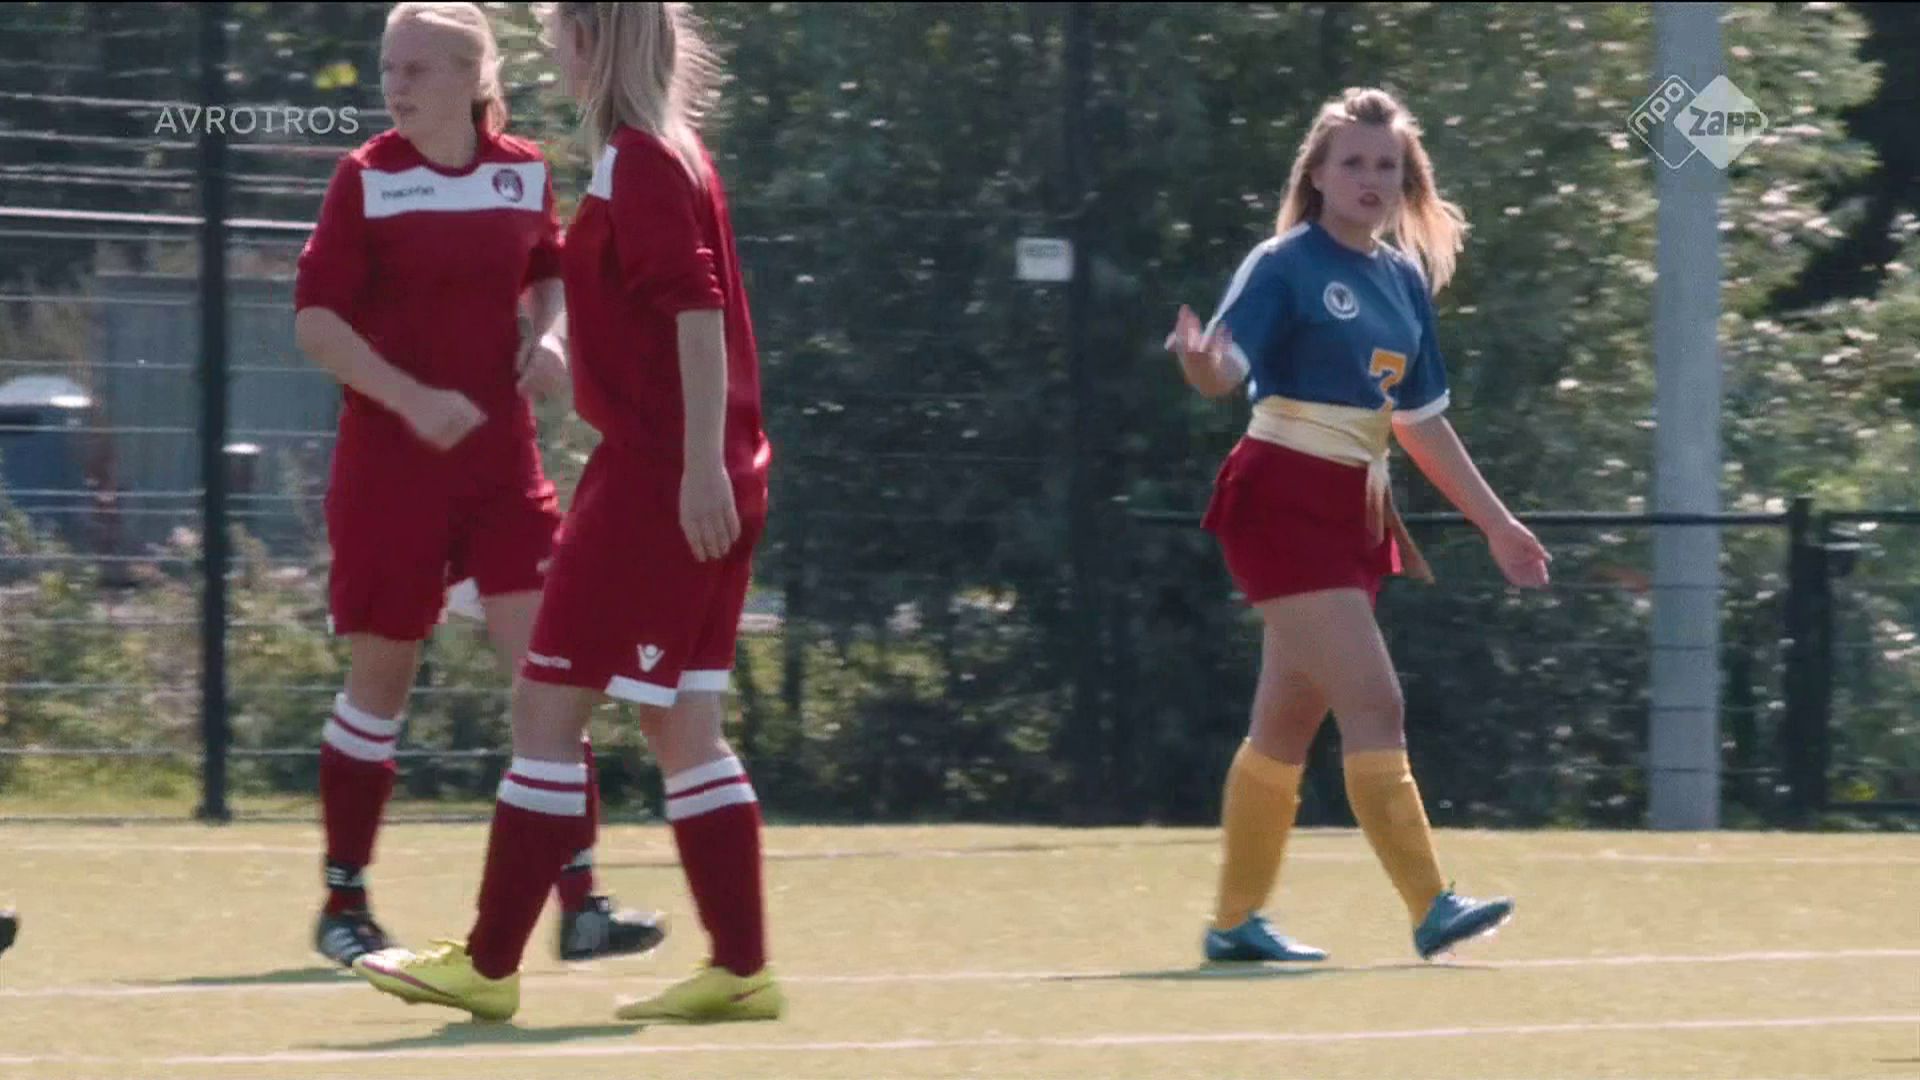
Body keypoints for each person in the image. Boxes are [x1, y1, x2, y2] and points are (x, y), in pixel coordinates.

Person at [353, 1, 780, 1025]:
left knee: (546, 709)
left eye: (557, 35)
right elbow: (661, 310)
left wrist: (695, 470)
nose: (550, 52)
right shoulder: (671, 152)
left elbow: (697, 309)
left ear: (593, 39)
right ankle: (741, 968)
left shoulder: (640, 160)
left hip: (657, 485)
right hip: (699, 472)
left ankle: (488, 964)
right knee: (683, 723)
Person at [293, 0, 663, 971]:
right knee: (382, 683)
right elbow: (317, 322)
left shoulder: (523, 170)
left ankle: (581, 905)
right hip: (390, 475)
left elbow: (550, 275)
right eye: (389, 67)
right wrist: (411, 399)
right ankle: (344, 904)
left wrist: (552, 336)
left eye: (417, 68)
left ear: (474, 77)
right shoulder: (365, 178)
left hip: (502, 468)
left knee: (553, 676)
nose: (396, 85)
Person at [1165, 86, 1552, 965]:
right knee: (1376, 702)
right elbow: (1225, 369)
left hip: (1351, 508)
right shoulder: (1283, 264)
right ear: (1318, 174)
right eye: (1353, 163)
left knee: (1285, 726)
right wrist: (1200, 366)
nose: (1371, 179)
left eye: (1388, 165)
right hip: (1279, 498)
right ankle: (1432, 906)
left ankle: (1234, 923)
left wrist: (1497, 525)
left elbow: (1421, 422)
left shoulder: (1403, 279)